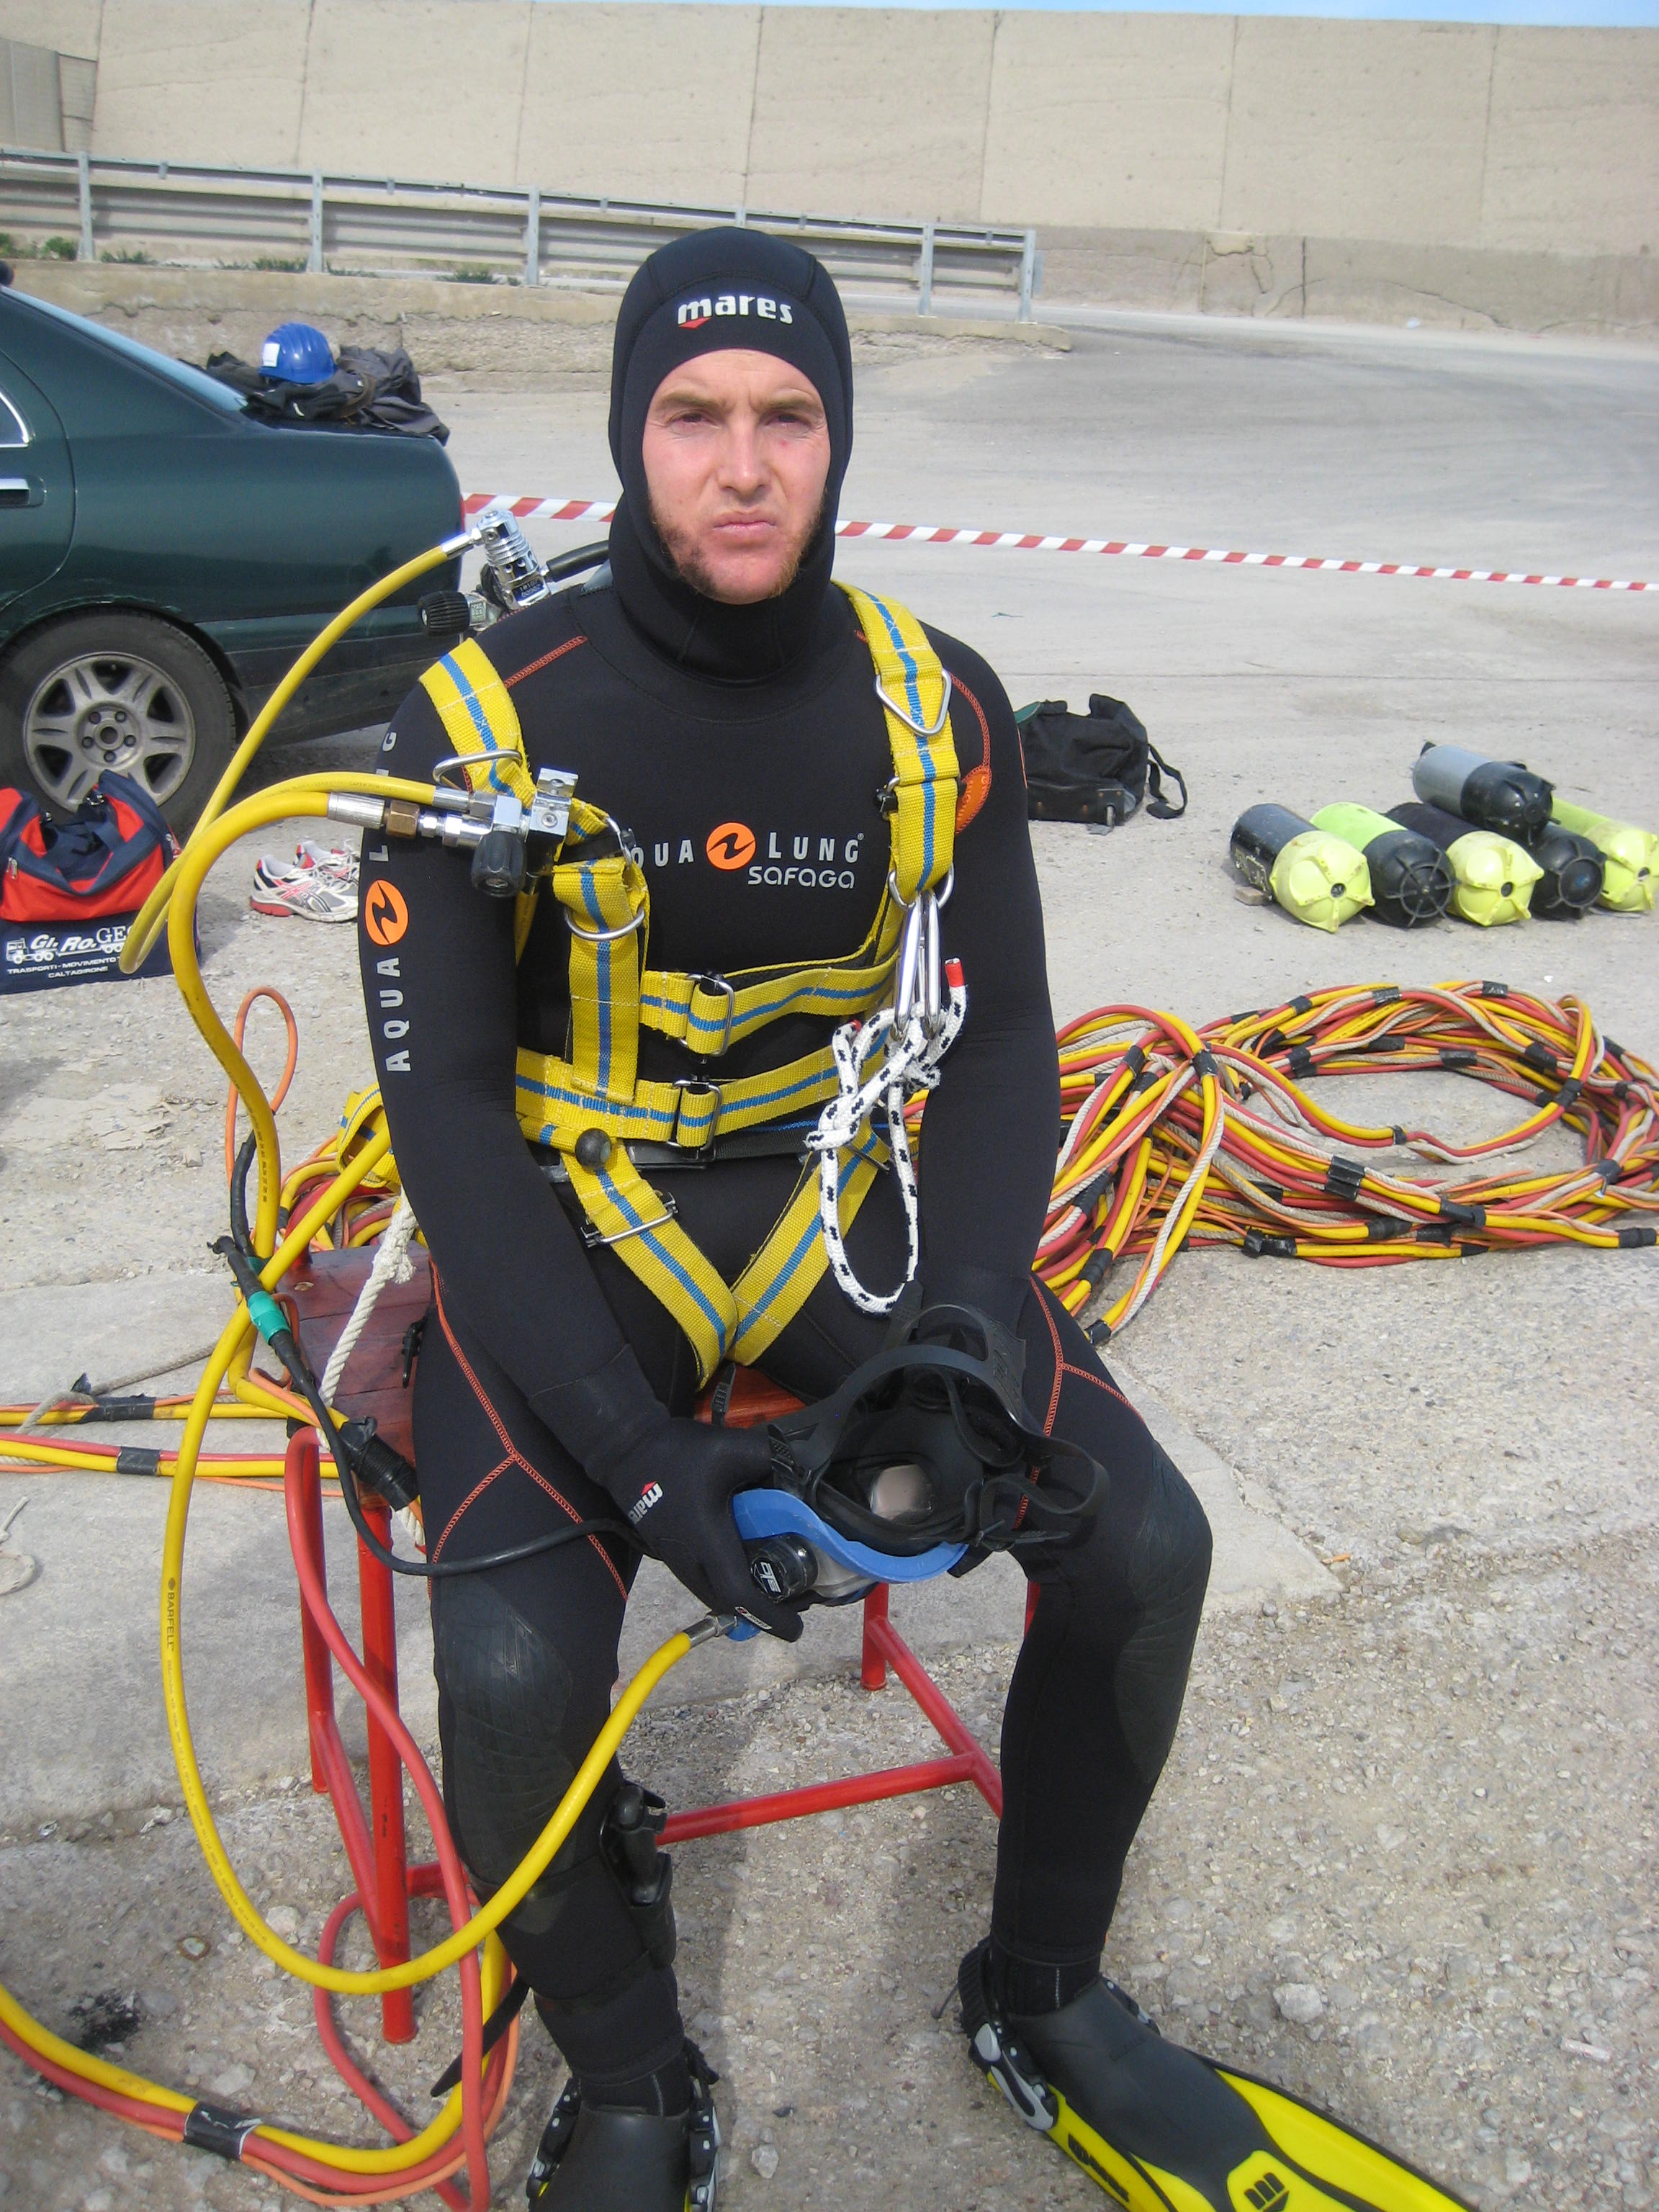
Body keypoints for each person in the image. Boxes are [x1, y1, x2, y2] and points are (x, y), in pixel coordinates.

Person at [358, 227, 1212, 2208]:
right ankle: (630, 2076)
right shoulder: (478, 724)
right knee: (509, 1680)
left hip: (836, 1198)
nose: (741, 465)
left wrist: (969, 1332)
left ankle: (1045, 1990)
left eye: (787, 417)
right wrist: (641, 1459)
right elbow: (449, 1115)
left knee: (1148, 1543)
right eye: (691, 416)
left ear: (836, 441)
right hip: (570, 1219)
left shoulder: (938, 705)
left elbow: (999, 1042)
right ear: (626, 436)